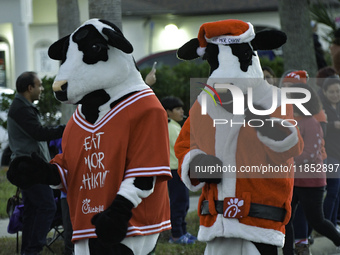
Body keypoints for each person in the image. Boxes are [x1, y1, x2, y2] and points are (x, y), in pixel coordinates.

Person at [7, 71, 65, 255]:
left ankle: (28, 251)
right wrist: (67, 128)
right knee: (47, 206)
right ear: (29, 88)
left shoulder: (23, 106)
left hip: (28, 167)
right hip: (31, 168)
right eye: (39, 85)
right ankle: (33, 249)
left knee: (32, 210)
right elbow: (38, 133)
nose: (41, 89)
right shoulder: (21, 109)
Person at [283, 83, 340, 255]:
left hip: (311, 182)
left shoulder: (311, 123)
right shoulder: (290, 121)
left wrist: (286, 160)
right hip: (293, 180)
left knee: (317, 221)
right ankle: (288, 252)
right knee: (285, 219)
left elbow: (309, 153)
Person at [160, 96, 196, 244]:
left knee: (183, 203)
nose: (182, 111)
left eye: (182, 108)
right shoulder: (172, 128)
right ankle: (176, 235)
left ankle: (182, 232)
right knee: (179, 203)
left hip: (176, 170)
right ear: (168, 112)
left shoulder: (172, 125)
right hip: (175, 170)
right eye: (177, 109)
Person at [321, 77, 340, 227]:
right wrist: (333, 124)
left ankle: (334, 223)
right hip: (329, 155)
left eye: (338, 91)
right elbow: (320, 130)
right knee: (332, 190)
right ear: (325, 92)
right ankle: (326, 224)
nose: (335, 94)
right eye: (331, 92)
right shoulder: (322, 108)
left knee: (337, 192)